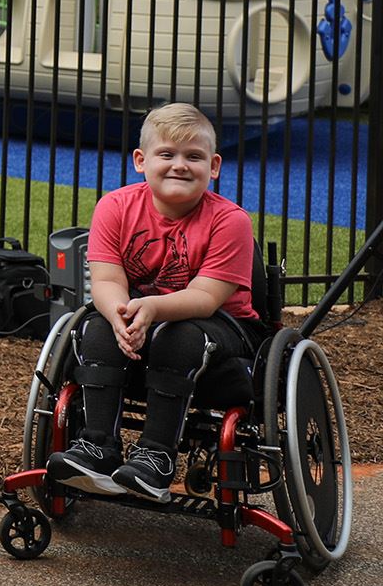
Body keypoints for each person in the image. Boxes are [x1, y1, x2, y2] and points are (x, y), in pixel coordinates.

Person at [47, 103, 265, 502]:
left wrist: (149, 310)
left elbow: (204, 297)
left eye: (193, 157)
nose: (180, 165)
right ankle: (97, 447)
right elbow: (108, 281)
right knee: (95, 324)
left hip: (221, 331)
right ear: (140, 161)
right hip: (144, 321)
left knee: (177, 334)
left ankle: (156, 459)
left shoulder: (230, 221)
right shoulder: (114, 208)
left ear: (213, 166)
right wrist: (119, 314)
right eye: (167, 154)